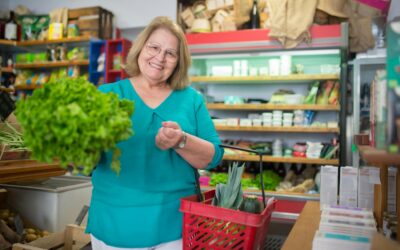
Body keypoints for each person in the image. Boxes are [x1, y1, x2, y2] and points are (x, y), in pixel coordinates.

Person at [86, 16, 224, 249]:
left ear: (179, 61)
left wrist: (181, 140)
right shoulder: (106, 95)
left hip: (176, 225)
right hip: (116, 222)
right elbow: (85, 157)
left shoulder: (191, 99)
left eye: (171, 53)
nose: (160, 58)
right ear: (140, 48)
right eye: (154, 47)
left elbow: (212, 157)